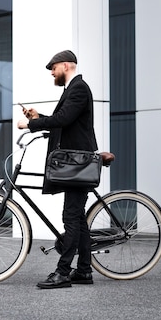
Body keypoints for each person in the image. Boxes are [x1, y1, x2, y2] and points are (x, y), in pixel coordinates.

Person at [17, 50, 98, 289]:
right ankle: (83, 271)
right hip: (74, 164)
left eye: (53, 68)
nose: (52, 72)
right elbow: (63, 120)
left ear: (65, 65)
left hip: (77, 164)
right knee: (77, 219)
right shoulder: (71, 90)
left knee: (71, 217)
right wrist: (39, 116)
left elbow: (62, 120)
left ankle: (63, 272)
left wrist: (31, 124)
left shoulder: (79, 88)